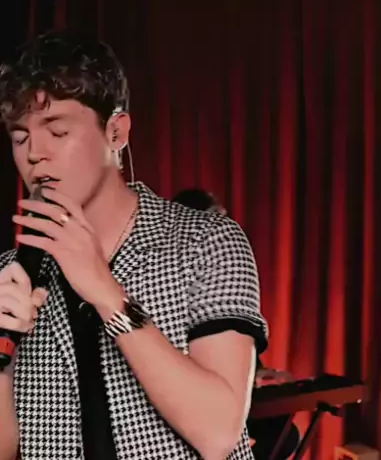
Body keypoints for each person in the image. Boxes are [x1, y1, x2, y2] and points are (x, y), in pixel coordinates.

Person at [0, 31, 268, 460]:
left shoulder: (207, 241)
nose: (35, 154)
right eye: (19, 137)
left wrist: (106, 293)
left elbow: (218, 433)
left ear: (116, 131)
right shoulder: (11, 274)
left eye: (58, 130)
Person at [173, 189, 300, 460]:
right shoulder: (173, 278)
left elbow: (235, 340)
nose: (224, 231)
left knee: (285, 434)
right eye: (216, 220)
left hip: (232, 394)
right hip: (194, 399)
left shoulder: (227, 270)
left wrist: (262, 375)